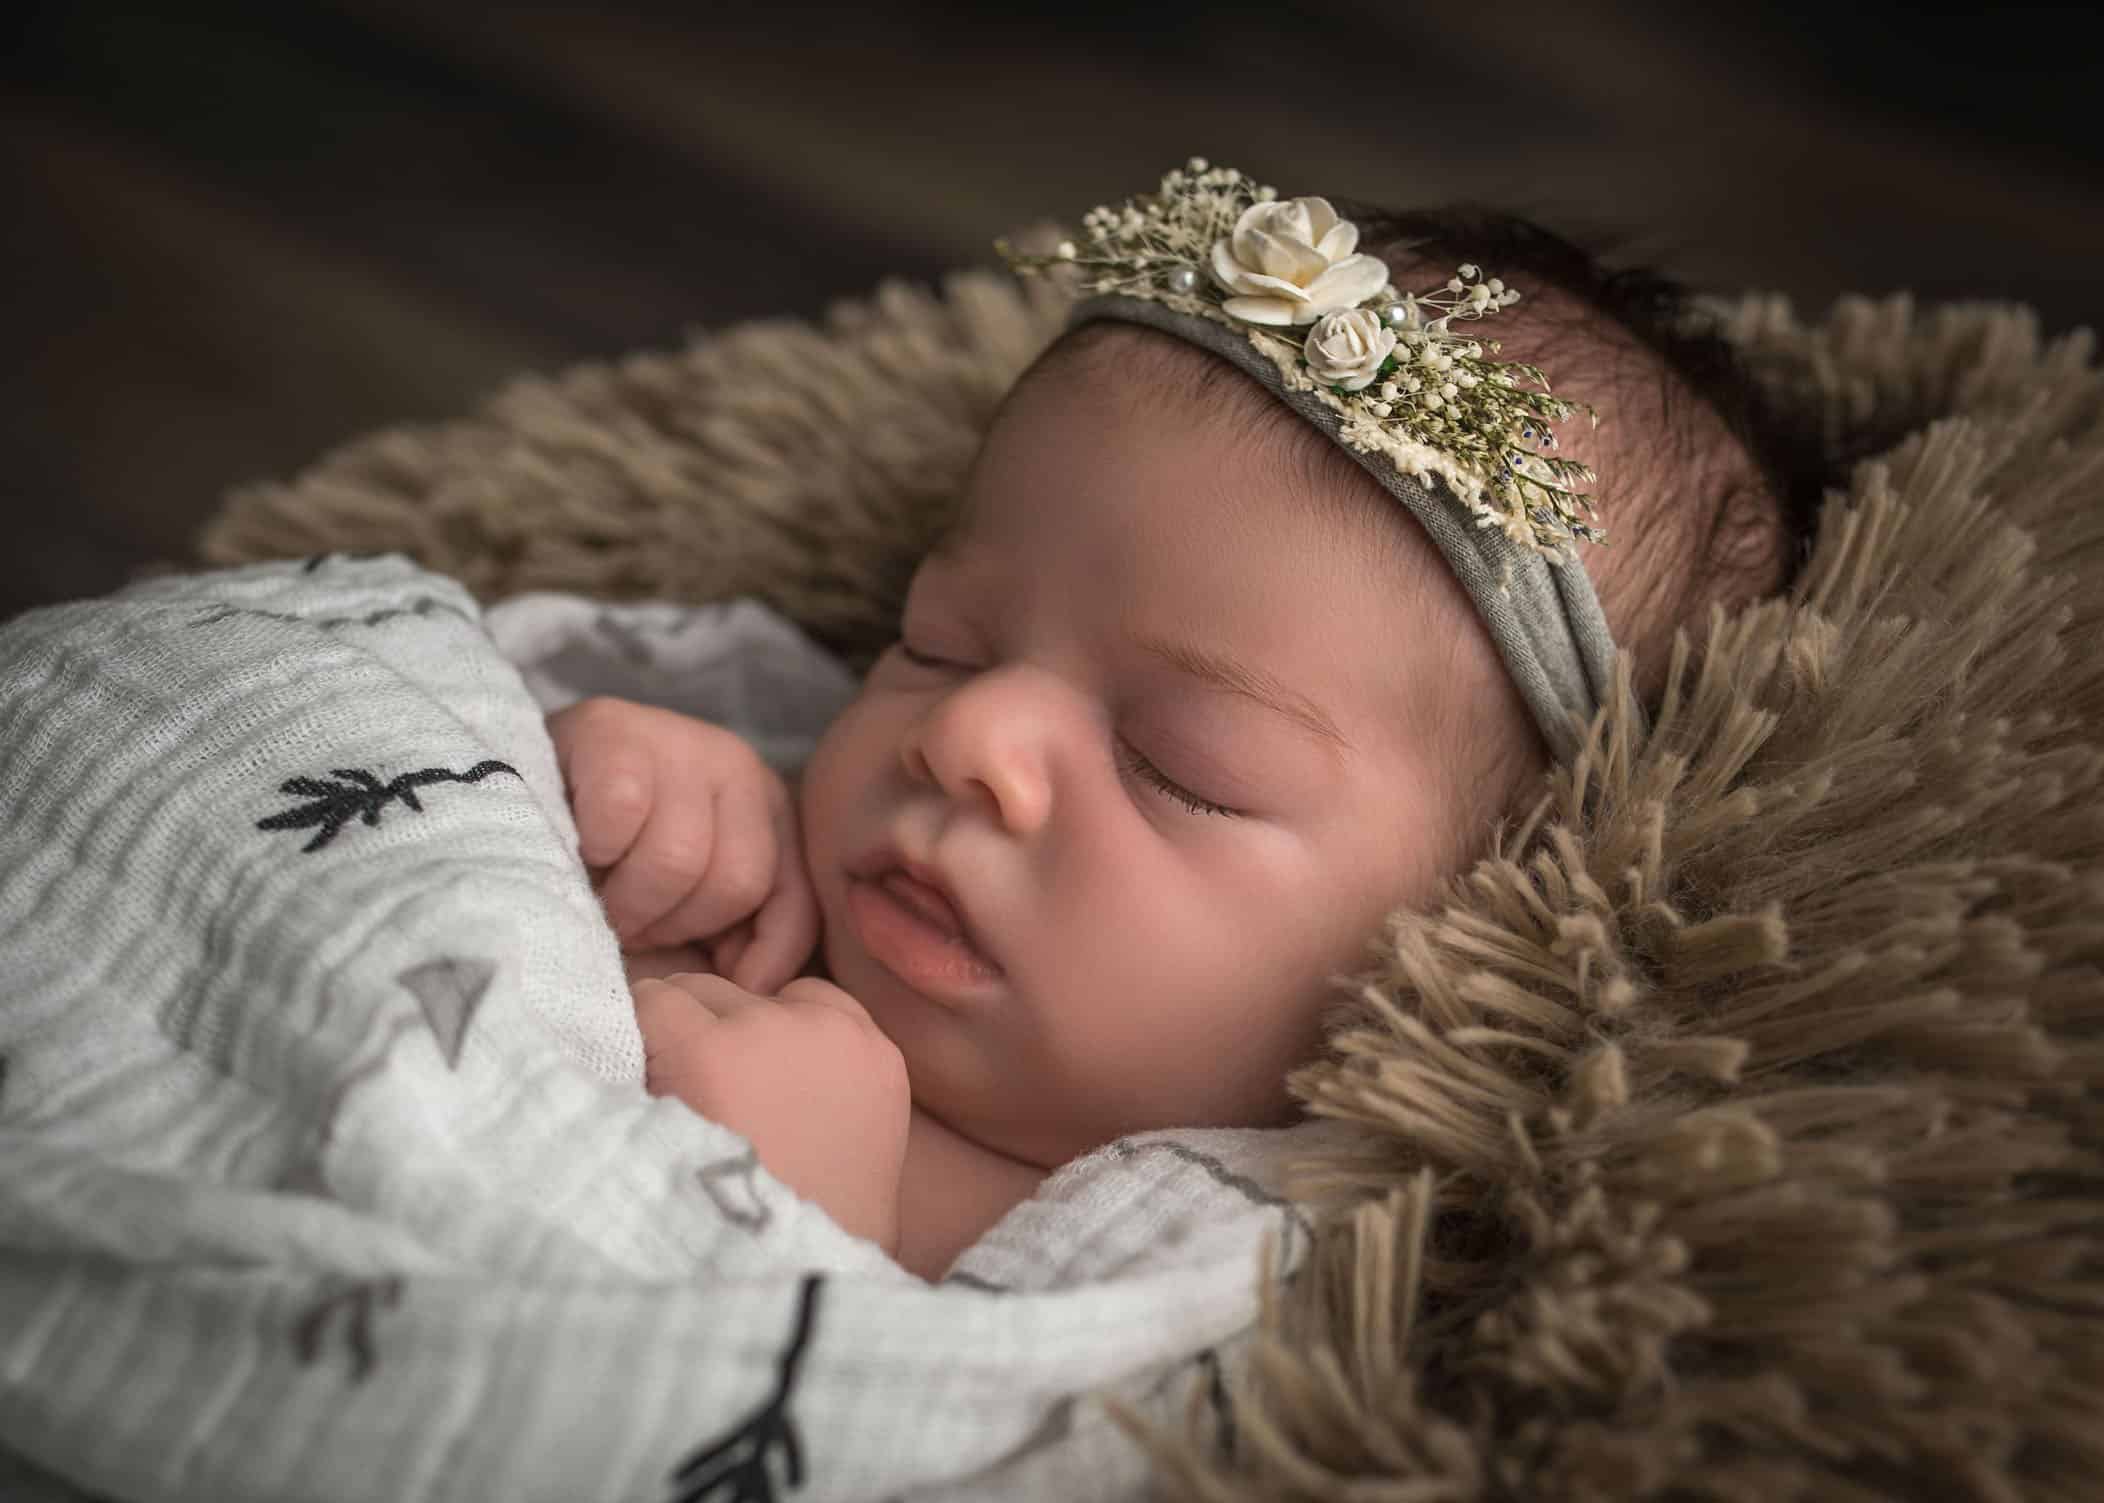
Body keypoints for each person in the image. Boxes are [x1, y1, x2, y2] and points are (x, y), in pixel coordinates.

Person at [545, 164, 1818, 1282]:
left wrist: (775, 1234)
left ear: (1480, 936)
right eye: (938, 644)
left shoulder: (1204, 1262)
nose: (970, 737)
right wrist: (588, 794)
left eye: (1178, 768)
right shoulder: (763, 818)